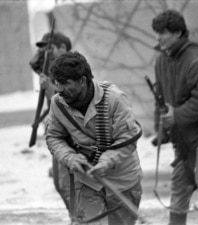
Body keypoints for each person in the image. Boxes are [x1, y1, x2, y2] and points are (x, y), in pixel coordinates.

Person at [45, 51, 143, 225]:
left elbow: (128, 137)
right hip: (87, 181)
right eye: (56, 83)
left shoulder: (114, 99)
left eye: (65, 83)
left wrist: (106, 161)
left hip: (122, 180)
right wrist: (70, 157)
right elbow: (53, 137)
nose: (59, 89)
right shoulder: (58, 103)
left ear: (82, 81)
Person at [151, 9, 198, 225]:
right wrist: (161, 129)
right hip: (182, 134)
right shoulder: (161, 61)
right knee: (179, 185)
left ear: (178, 33)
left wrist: (177, 115)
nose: (157, 37)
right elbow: (161, 99)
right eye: (156, 32)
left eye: (162, 32)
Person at [29, 32, 72, 218]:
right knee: (59, 183)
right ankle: (76, 216)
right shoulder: (53, 70)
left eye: (51, 48)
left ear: (63, 48)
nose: (47, 52)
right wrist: (45, 56)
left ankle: (80, 218)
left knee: (67, 183)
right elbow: (34, 64)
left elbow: (67, 102)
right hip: (57, 134)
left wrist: (49, 89)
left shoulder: (74, 70)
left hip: (71, 135)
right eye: (44, 49)